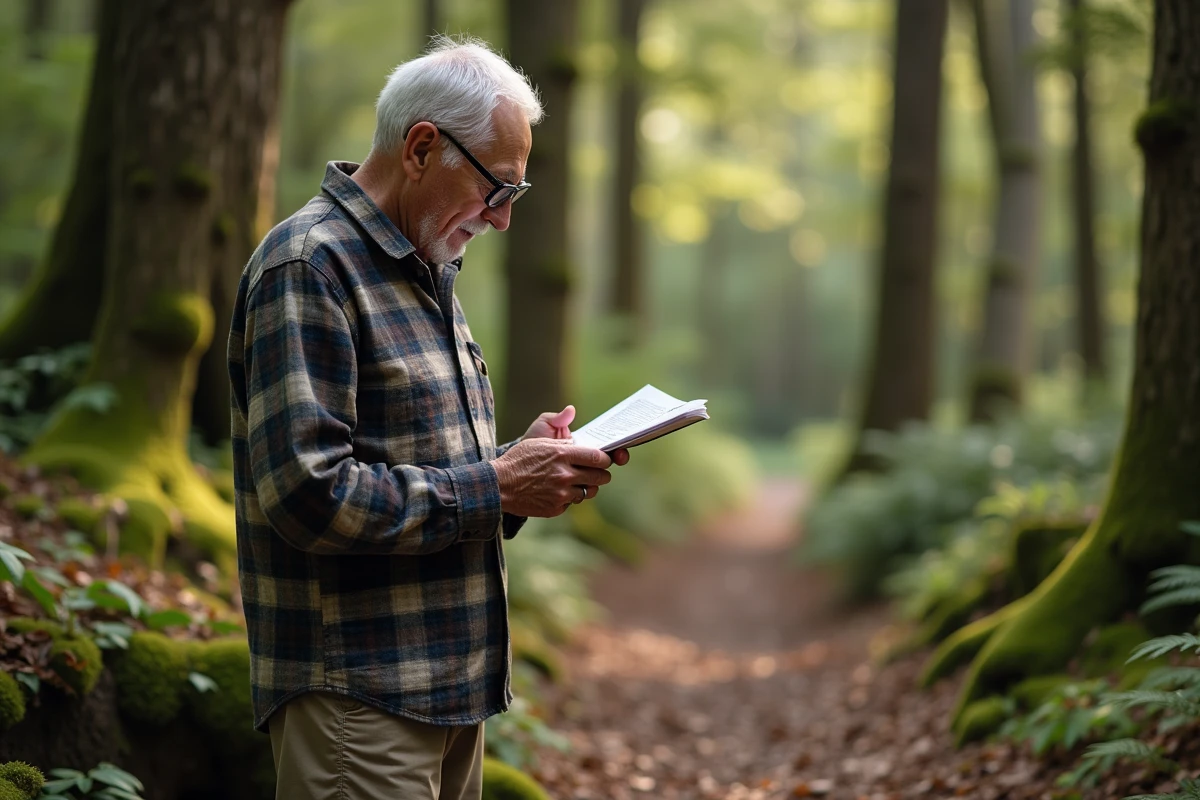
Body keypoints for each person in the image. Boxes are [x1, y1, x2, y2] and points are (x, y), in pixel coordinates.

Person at [227, 36, 629, 800]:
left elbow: (418, 461)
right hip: (359, 697)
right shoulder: (309, 266)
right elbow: (309, 494)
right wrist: (497, 485)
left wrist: (521, 466)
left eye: (515, 194)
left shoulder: (425, 264)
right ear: (420, 149)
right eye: (497, 188)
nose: (502, 219)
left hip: (450, 691)